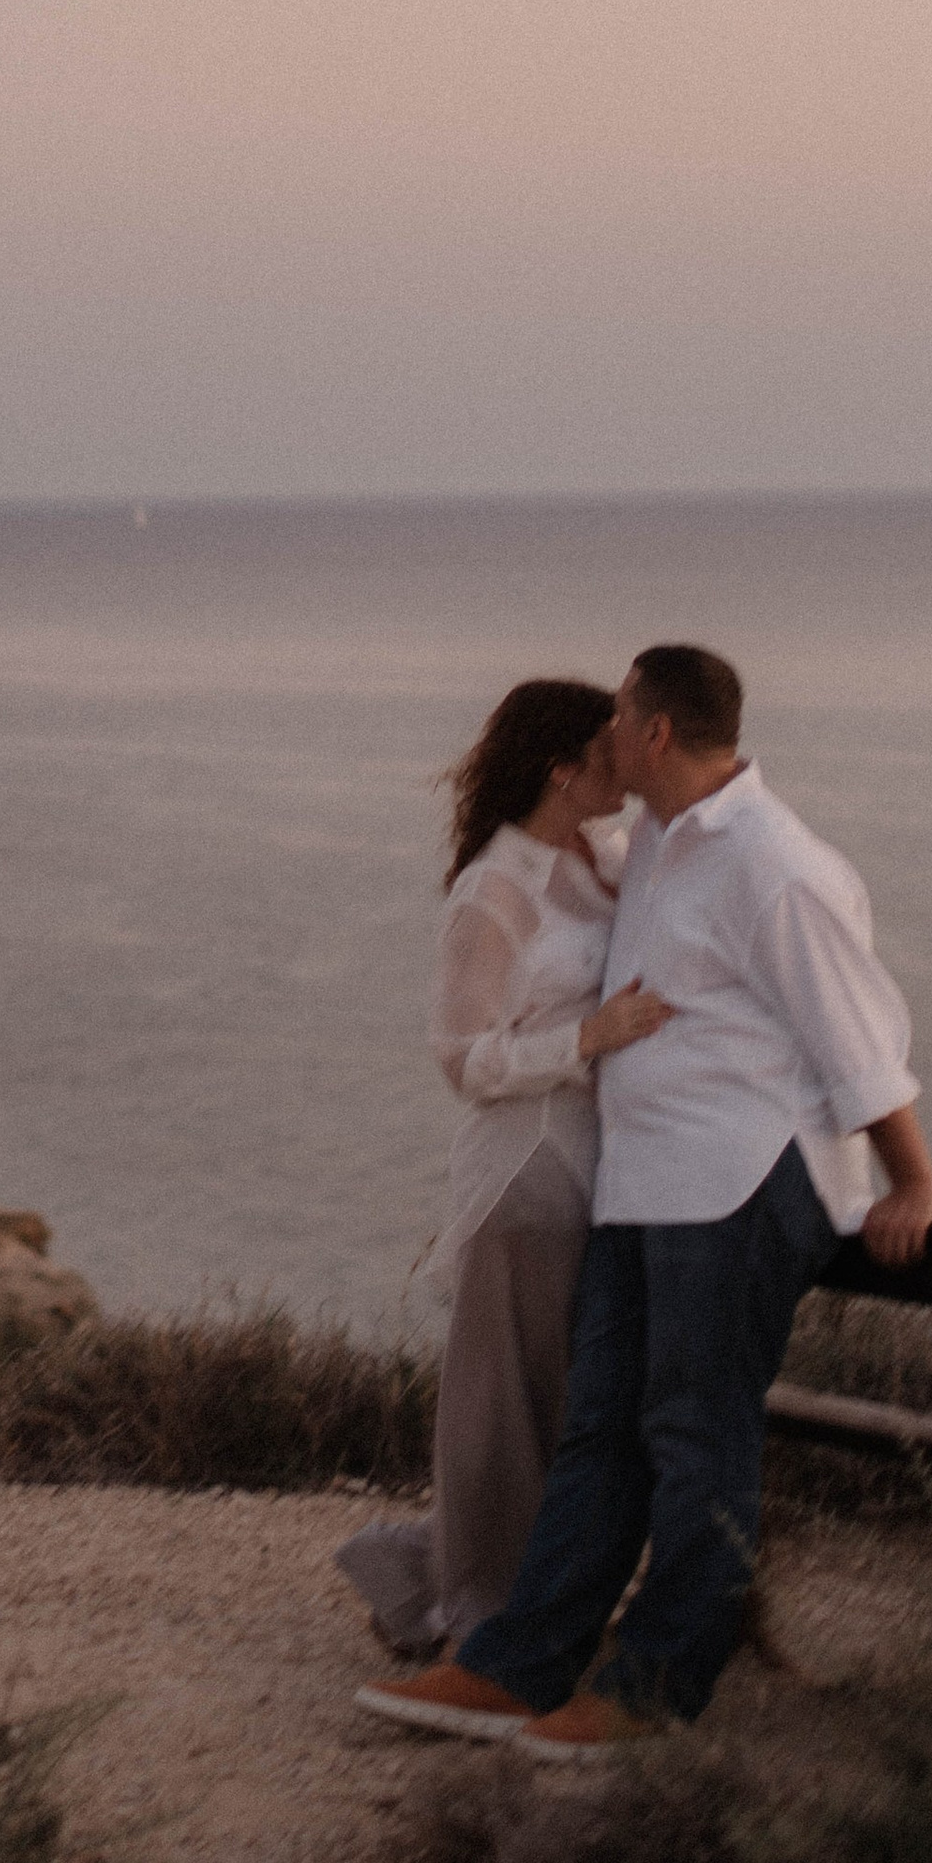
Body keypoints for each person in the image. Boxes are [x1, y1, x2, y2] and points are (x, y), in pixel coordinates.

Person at [355, 641, 932, 1756]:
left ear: (655, 731)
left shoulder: (774, 863)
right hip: (640, 1183)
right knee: (599, 1435)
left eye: (617, 717)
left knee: (691, 1433)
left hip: (737, 1180)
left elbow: (858, 1035)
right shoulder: (655, 847)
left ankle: (653, 1688)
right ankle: (516, 1666)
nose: (606, 739)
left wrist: (910, 1174)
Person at [336, 680, 671, 1657]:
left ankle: (480, 1591)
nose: (631, 767)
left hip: (604, 1162)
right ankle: (473, 1614)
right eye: (612, 755)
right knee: (505, 1406)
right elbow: (461, 1060)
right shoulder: (496, 889)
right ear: (562, 769)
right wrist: (588, 1036)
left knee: (570, 1401)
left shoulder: (609, 857)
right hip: (524, 1168)